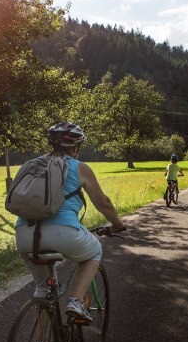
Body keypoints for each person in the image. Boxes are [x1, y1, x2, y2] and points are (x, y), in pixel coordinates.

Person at [14, 122, 125, 322]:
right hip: (63, 233)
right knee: (95, 251)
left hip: (24, 234)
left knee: (42, 289)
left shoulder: (30, 165)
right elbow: (104, 203)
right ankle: (75, 301)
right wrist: (117, 223)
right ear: (76, 147)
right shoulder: (79, 167)